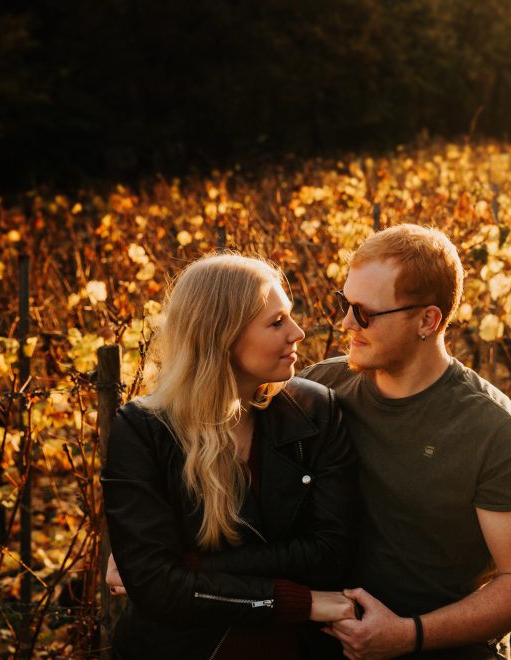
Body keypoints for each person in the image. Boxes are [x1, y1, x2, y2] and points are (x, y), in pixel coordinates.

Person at [297, 223, 511, 659]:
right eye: (343, 303)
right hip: (321, 639)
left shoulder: (493, 431)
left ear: (427, 320)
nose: (345, 323)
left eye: (364, 313)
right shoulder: (322, 386)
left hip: (441, 648)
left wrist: (407, 634)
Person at [101, 253, 359, 659]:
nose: (298, 332)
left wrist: (194, 568)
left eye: (289, 317)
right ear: (220, 336)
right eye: (276, 322)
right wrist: (301, 601)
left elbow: (331, 553)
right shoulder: (143, 430)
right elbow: (159, 591)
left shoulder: (314, 412)